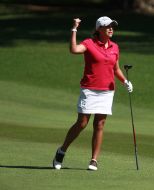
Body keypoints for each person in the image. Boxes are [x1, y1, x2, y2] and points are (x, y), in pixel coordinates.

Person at [53, 16, 133, 171]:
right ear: (99, 29)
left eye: (112, 27)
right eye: (108, 26)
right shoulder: (89, 44)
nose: (111, 29)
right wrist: (74, 29)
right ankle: (61, 151)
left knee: (100, 124)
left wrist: (125, 81)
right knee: (82, 123)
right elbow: (74, 49)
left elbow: (115, 69)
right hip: (89, 89)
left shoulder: (115, 47)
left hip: (107, 91)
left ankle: (94, 160)